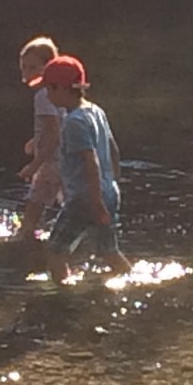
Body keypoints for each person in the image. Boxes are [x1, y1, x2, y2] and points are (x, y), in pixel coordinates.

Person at [33, 55, 134, 284]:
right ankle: (131, 279)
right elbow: (113, 149)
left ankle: (63, 294)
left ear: (62, 89)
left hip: (85, 199)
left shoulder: (74, 122)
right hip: (109, 192)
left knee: (56, 251)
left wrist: (96, 202)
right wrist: (113, 183)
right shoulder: (96, 111)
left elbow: (91, 161)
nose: (47, 95)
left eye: (49, 89)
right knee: (109, 251)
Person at [16, 36, 64, 244]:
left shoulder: (43, 96)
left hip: (51, 161)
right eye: (24, 68)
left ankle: (24, 244)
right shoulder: (59, 92)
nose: (27, 73)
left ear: (48, 67)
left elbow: (54, 133)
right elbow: (56, 124)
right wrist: (35, 139)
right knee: (71, 206)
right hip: (67, 159)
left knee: (33, 208)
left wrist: (34, 165)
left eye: (33, 67)